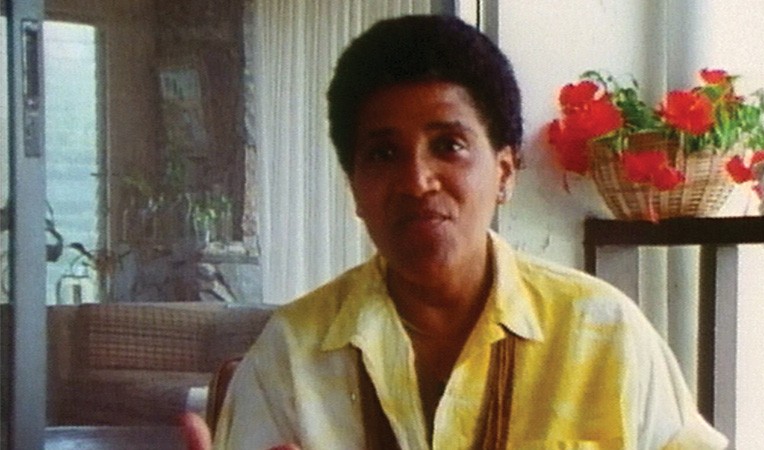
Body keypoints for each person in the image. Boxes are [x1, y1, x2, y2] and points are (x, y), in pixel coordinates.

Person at [183, 14, 728, 449]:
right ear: (354, 187)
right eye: (383, 153)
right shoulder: (294, 356)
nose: (417, 181)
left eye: (449, 145)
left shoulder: (604, 335)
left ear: (505, 172)